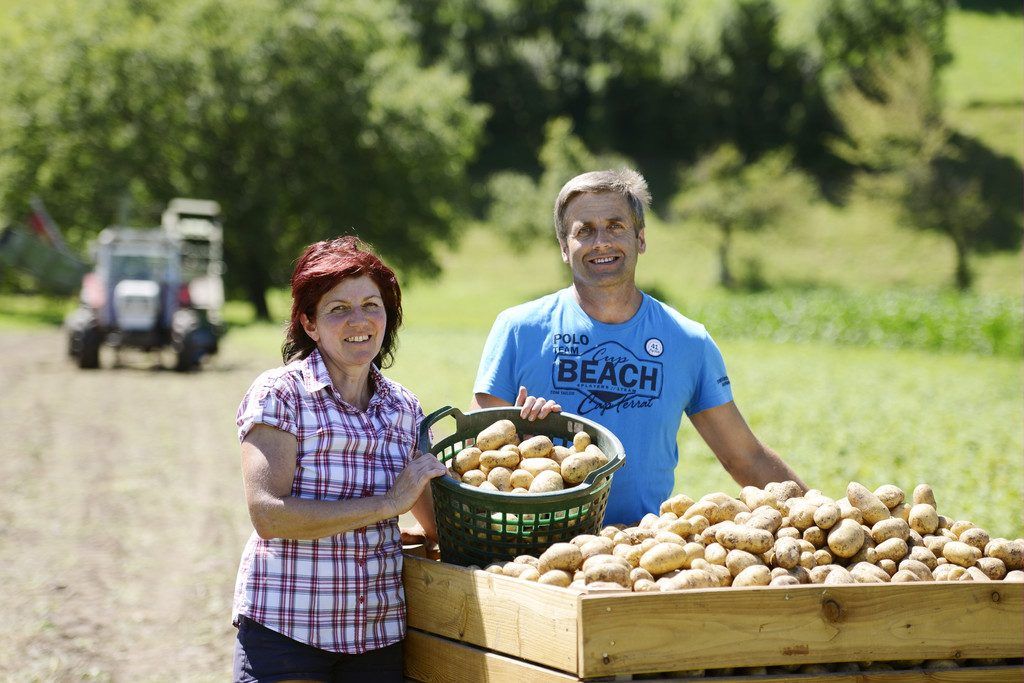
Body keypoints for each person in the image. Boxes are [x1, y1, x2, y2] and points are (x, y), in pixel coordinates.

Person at [471, 169, 805, 525]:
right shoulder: (519, 329)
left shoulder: (687, 341)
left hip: (640, 550)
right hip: (532, 548)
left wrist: (815, 511)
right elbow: (476, 456)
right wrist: (524, 434)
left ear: (640, 239)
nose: (601, 242)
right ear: (564, 249)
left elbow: (746, 458)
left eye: (615, 226)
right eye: (584, 230)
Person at [232, 236, 447, 682]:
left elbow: (436, 527)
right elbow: (269, 515)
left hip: (376, 637)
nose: (359, 320)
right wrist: (386, 506)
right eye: (338, 309)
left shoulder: (404, 408)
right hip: (289, 632)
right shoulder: (281, 395)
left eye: (372, 305)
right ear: (310, 324)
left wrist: (526, 429)